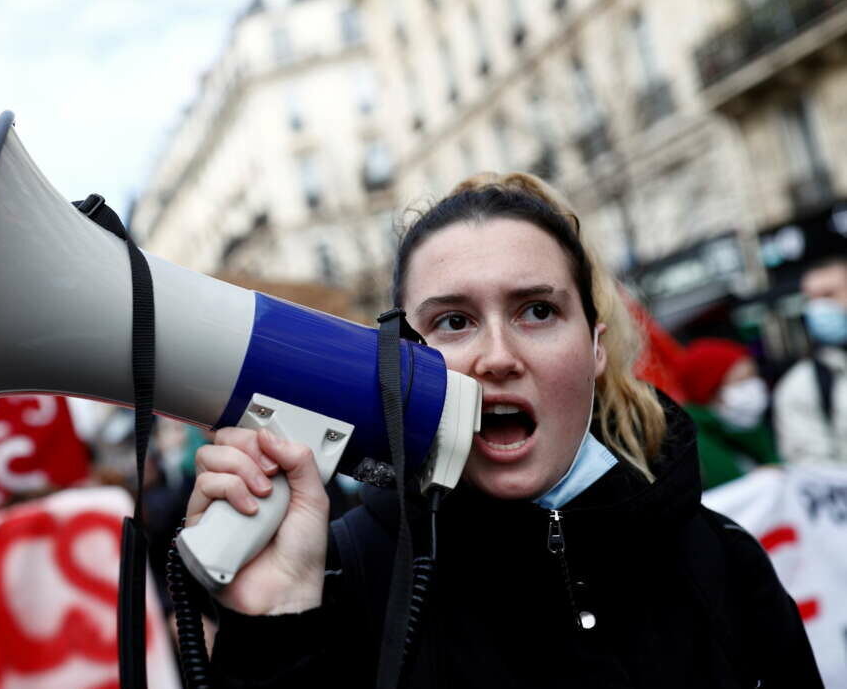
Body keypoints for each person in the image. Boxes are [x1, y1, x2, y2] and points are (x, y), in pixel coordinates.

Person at [186, 172, 820, 687]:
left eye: (537, 311)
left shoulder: (724, 559)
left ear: (596, 348)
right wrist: (273, 635)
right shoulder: (343, 577)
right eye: (454, 322)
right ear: (397, 360)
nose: (497, 356)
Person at [677, 338, 780, 490]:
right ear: (711, 392)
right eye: (742, 381)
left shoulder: (748, 428)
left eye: (754, 376)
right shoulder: (693, 448)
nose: (756, 385)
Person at [774, 255, 847, 465]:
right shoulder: (800, 387)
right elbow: (816, 472)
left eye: (829, 294)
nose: (819, 308)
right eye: (811, 299)